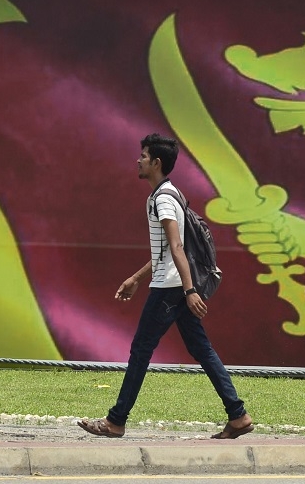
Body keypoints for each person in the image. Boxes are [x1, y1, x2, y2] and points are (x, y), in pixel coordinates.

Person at [77, 133, 253, 440]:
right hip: (173, 284)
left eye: (143, 156)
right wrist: (136, 278)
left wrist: (189, 290)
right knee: (202, 349)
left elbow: (176, 247)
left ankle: (116, 421)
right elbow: (166, 251)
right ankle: (238, 416)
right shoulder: (170, 193)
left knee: (140, 350)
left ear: (156, 163)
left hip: (170, 288)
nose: (139, 160)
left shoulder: (162, 199)